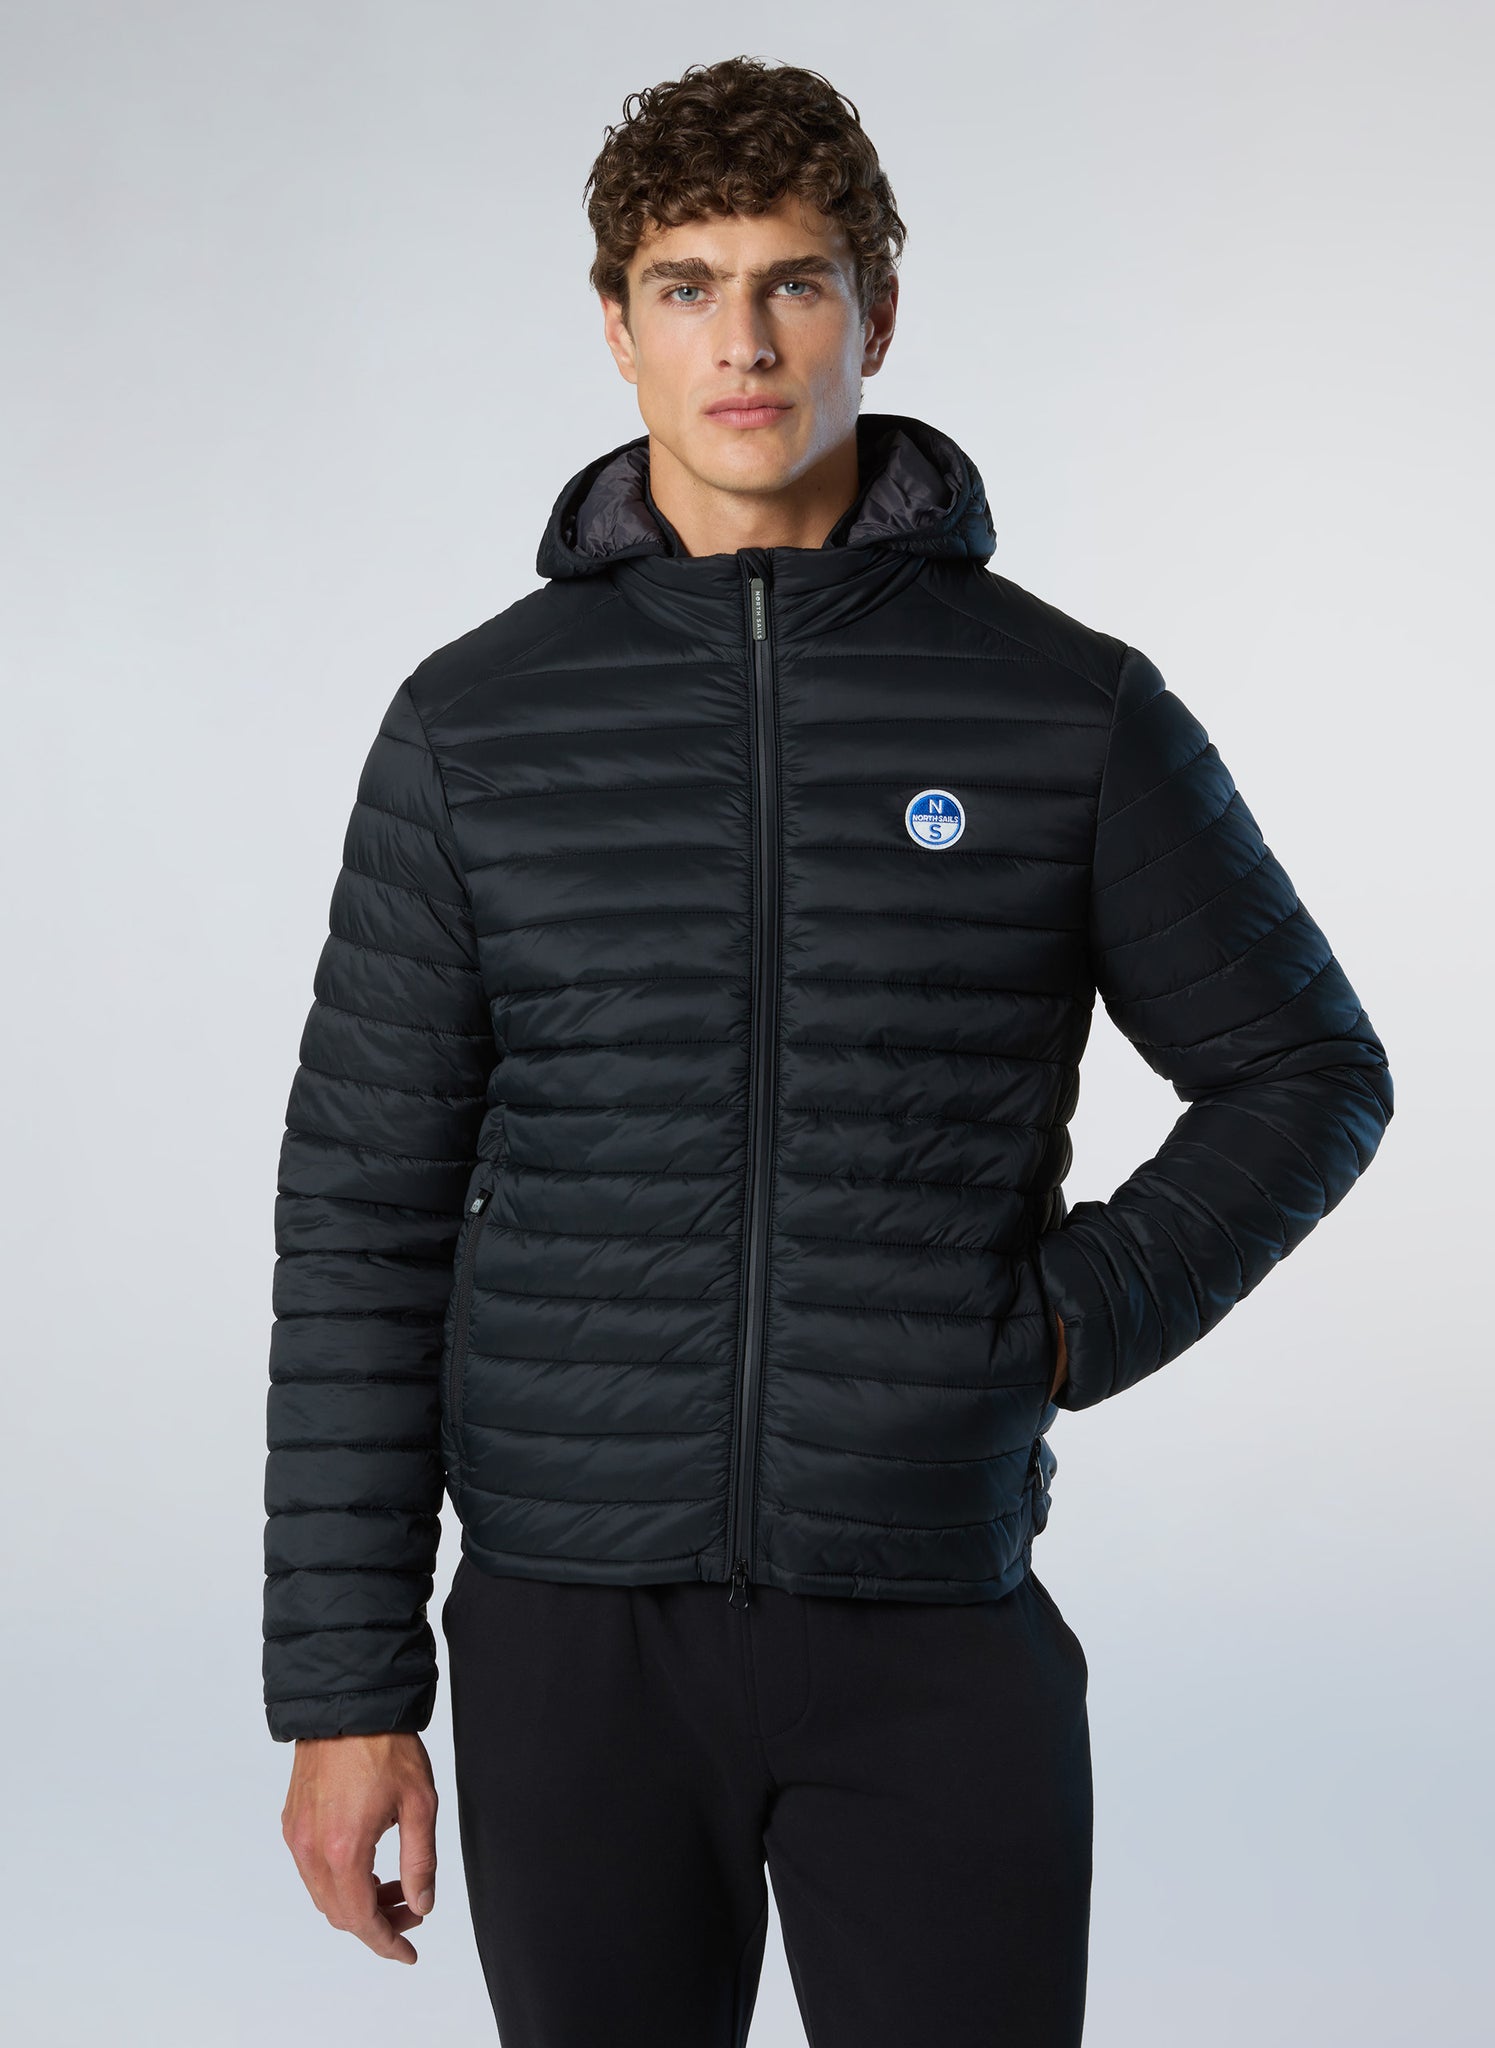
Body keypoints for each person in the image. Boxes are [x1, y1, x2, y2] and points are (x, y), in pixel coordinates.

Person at [264, 54, 1393, 2048]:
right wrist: (347, 1693)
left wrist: (1059, 1327)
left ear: (877, 308)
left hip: (931, 1619)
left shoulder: (1063, 708)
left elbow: (1308, 1070)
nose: (745, 341)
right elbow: (365, 1218)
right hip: (571, 1632)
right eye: (687, 286)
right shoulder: (474, 728)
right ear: (615, 327)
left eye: (794, 281)